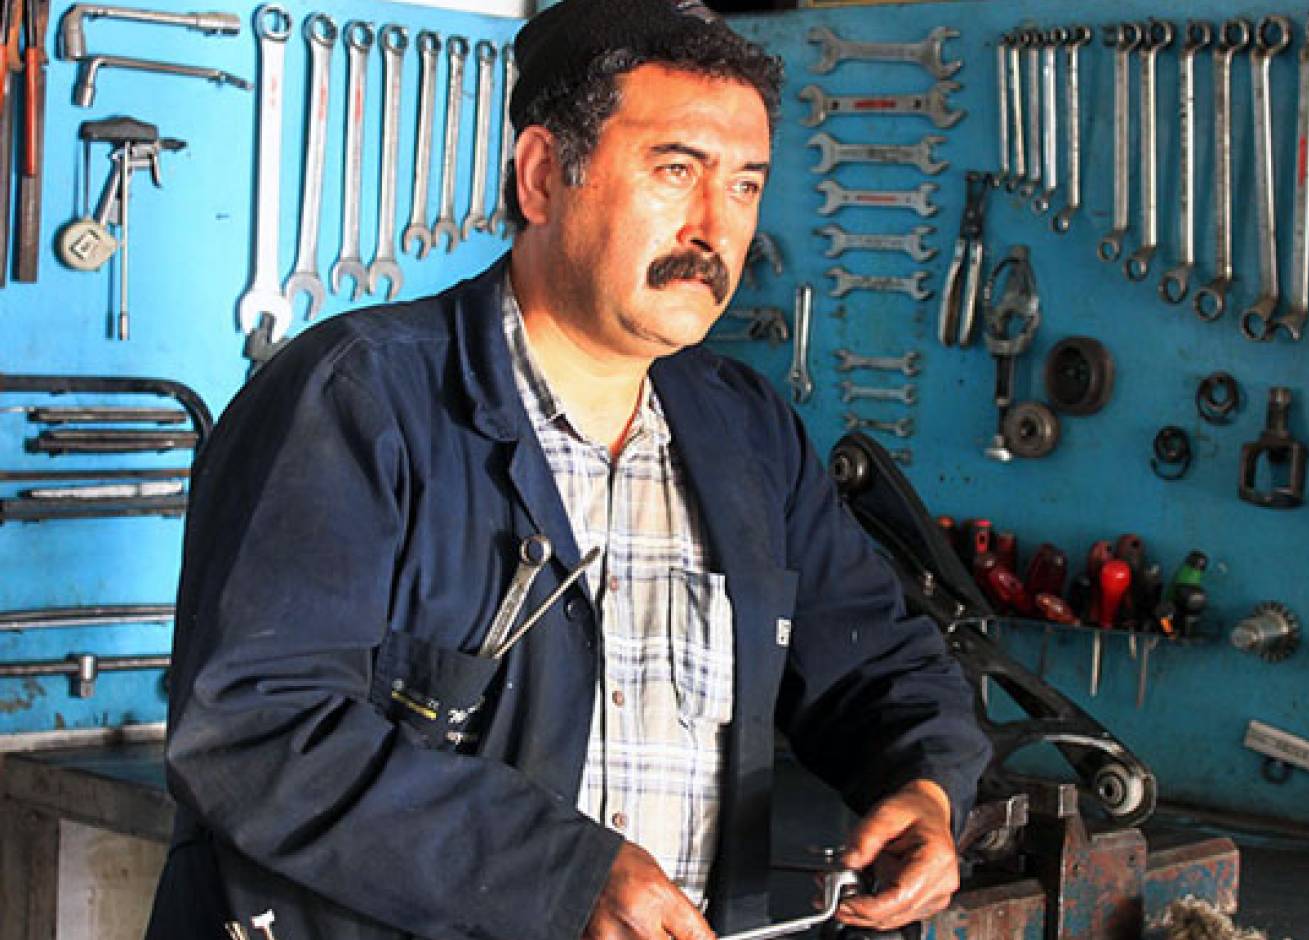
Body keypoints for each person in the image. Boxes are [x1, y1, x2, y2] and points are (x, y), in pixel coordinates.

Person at [143, 2, 991, 939]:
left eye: (746, 184)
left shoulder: (747, 433)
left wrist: (926, 785)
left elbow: (877, 664)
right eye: (676, 171)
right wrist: (560, 878)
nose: (715, 229)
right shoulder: (356, 402)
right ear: (544, 176)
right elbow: (255, 730)